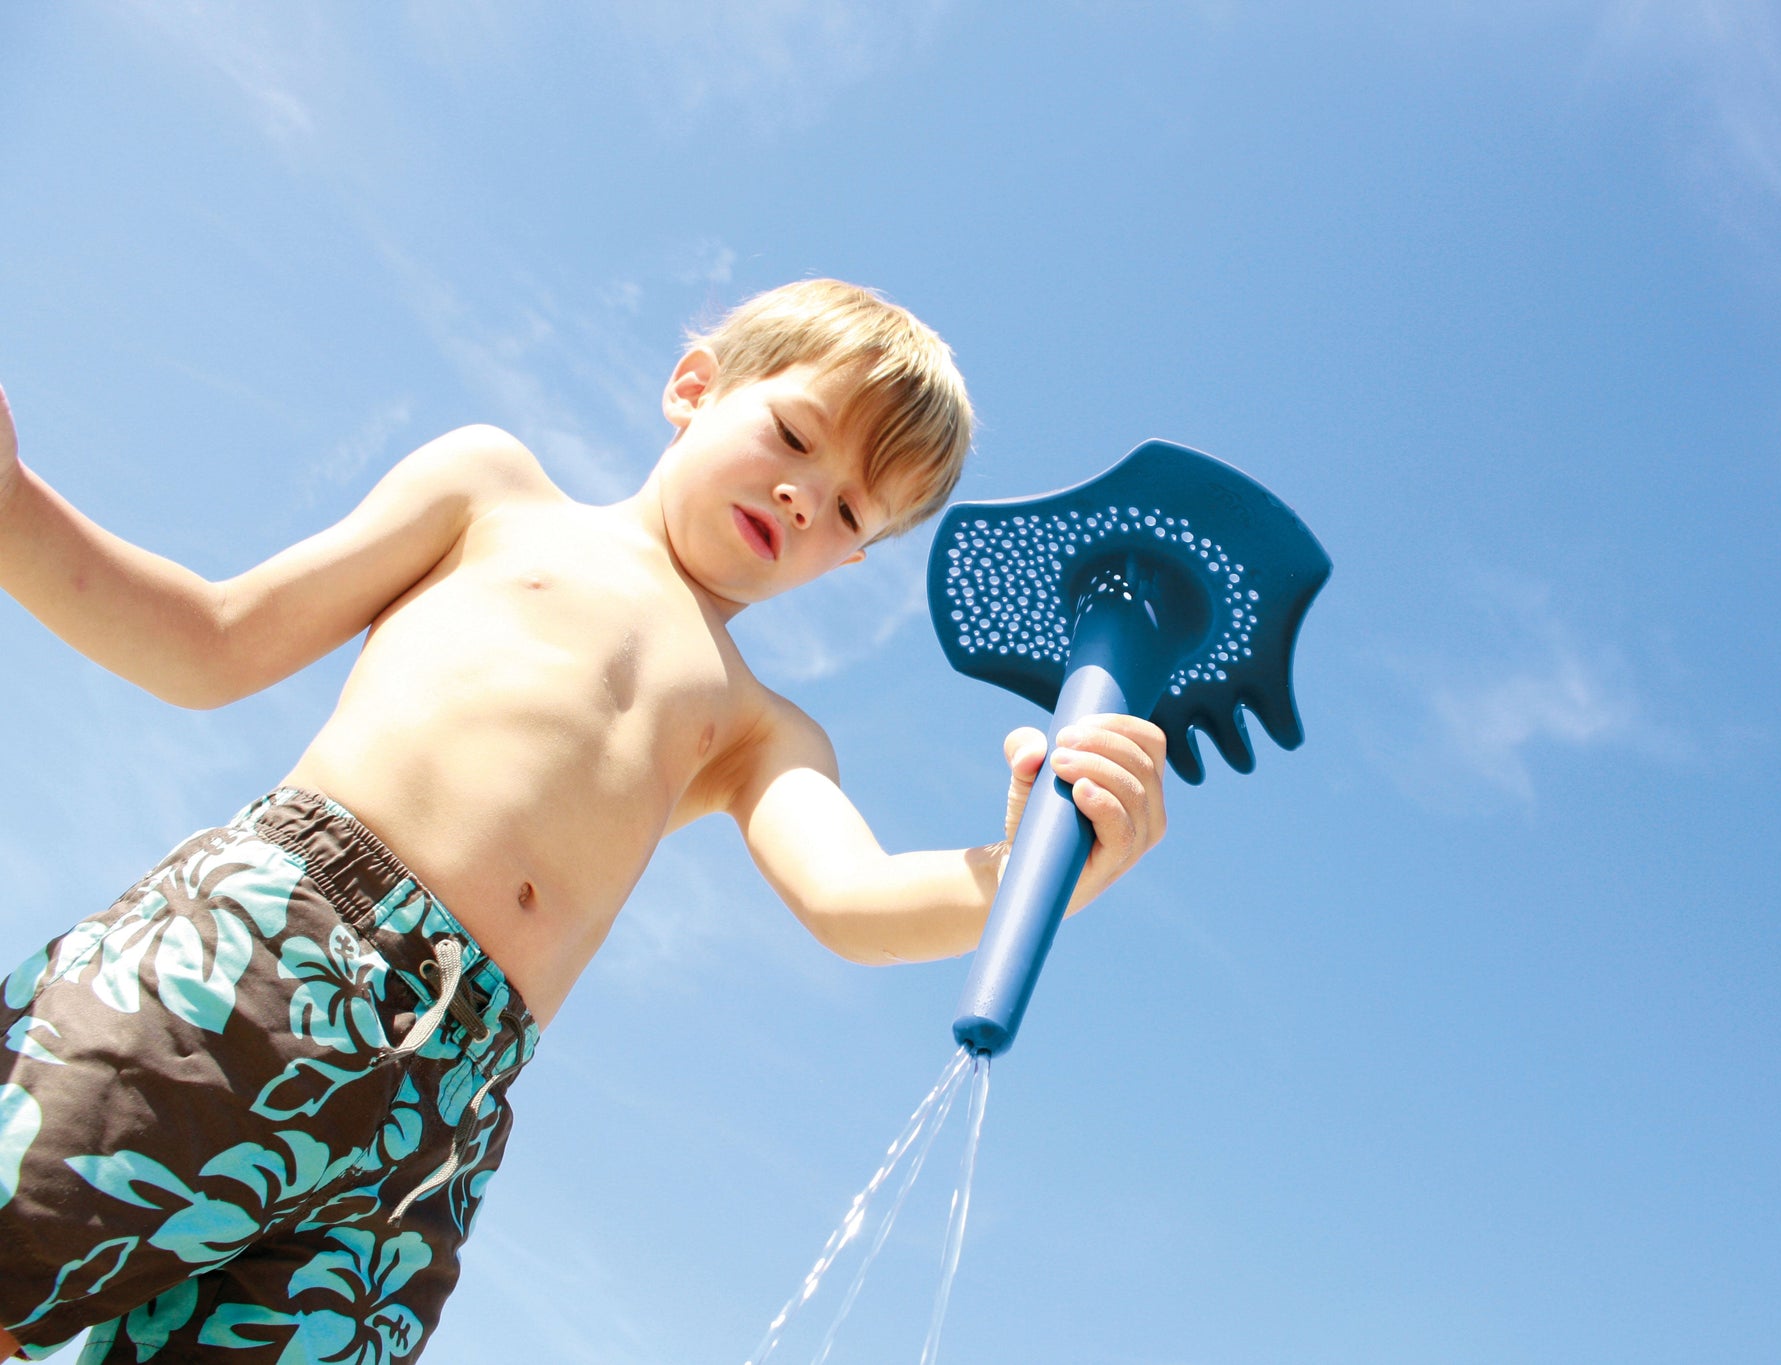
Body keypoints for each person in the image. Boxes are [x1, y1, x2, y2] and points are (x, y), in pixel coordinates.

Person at [0, 279, 1168, 1362]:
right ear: (694, 389)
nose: (803, 494)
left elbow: (851, 903)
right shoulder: (495, 494)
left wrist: (1034, 873)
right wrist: (11, 508)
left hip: (439, 1122)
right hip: (268, 959)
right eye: (796, 436)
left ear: (853, 555)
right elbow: (211, 640)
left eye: (845, 508)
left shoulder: (763, 729)